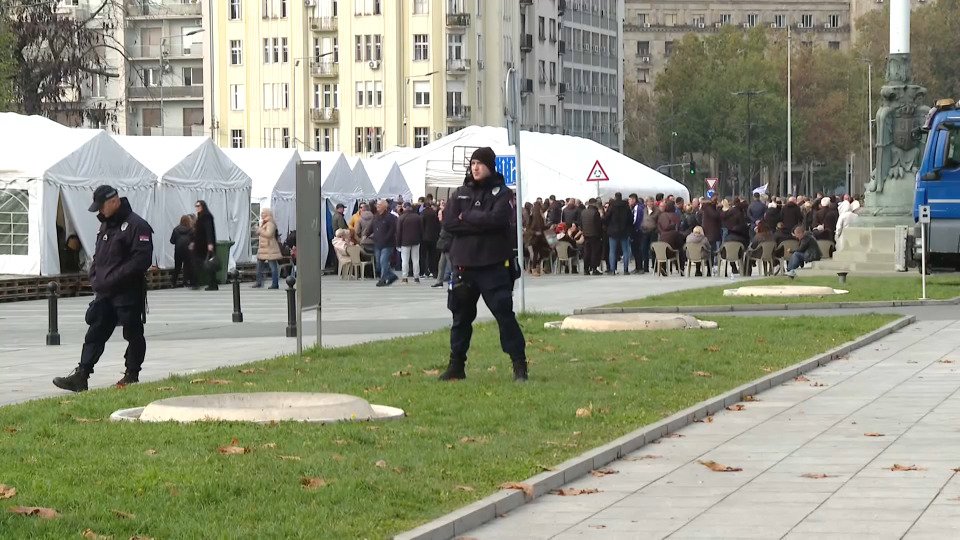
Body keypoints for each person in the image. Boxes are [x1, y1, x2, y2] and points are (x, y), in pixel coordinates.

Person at [53, 185, 154, 392]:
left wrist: (114, 279)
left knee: (133, 333)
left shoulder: (137, 225)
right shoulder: (106, 226)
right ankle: (82, 375)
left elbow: (141, 260)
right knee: (95, 333)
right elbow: (98, 257)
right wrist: (95, 278)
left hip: (128, 292)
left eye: (101, 207)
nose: (99, 212)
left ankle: (131, 374)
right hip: (105, 293)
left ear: (114, 201)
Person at [441, 147, 527, 382]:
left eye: (480, 163)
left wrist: (466, 217)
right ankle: (456, 366)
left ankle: (519, 364)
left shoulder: (502, 193)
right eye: (472, 164)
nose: (475, 168)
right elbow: (449, 223)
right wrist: (478, 222)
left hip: (493, 265)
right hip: (464, 266)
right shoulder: (460, 193)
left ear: (490, 166)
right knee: (460, 319)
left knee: (504, 315)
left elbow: (497, 220)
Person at [370, 199, 399, 286]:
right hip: (377, 243)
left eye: (379, 205)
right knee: (378, 263)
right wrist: (365, 234)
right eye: (377, 205)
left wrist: (386, 238)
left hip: (387, 244)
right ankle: (391, 276)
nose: (377, 206)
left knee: (383, 261)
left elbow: (392, 230)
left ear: (384, 206)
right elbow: (371, 227)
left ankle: (382, 279)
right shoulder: (375, 216)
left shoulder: (390, 217)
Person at [191, 200, 218, 291]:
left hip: (205, 244)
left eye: (198, 205)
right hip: (200, 244)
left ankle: (211, 284)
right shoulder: (200, 217)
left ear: (203, 206)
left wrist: (210, 243)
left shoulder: (206, 216)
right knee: (201, 263)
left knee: (209, 263)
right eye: (196, 206)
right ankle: (198, 283)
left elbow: (209, 230)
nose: (197, 207)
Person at [253, 208, 282, 289]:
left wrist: (260, 230)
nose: (261, 214)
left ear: (267, 214)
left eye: (263, 213)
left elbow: (269, 234)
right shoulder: (265, 223)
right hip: (264, 248)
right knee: (259, 265)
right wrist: (259, 230)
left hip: (269, 248)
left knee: (272, 266)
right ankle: (259, 282)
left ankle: (275, 284)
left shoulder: (270, 223)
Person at [396, 201, 423, 283]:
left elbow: (398, 232)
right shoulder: (418, 217)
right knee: (416, 259)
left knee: (405, 260)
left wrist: (398, 244)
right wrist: (420, 239)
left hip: (405, 242)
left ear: (404, 208)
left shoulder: (401, 218)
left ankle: (405, 277)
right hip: (416, 241)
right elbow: (421, 230)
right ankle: (416, 277)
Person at [169, 215, 193, 288]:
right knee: (187, 266)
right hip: (187, 250)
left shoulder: (176, 229)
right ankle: (185, 282)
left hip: (178, 250)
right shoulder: (191, 230)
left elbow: (172, 241)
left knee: (177, 267)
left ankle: (173, 283)